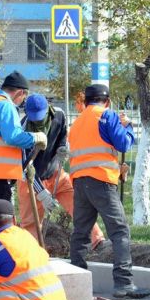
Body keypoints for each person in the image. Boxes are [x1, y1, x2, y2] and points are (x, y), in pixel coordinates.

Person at [68, 84, 150, 299]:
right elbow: (122, 144)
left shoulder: (76, 123)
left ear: (86, 101)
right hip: (102, 181)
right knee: (119, 231)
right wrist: (128, 127)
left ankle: (78, 284)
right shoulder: (107, 115)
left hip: (79, 182)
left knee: (81, 233)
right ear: (106, 100)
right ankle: (123, 282)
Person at [0, 71, 47, 255]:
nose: (23, 101)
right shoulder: (5, 106)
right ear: (19, 93)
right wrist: (35, 137)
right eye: (24, 97)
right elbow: (12, 137)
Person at [16, 94, 108, 249]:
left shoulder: (58, 115)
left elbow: (63, 134)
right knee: (30, 223)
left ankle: (97, 241)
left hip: (55, 173)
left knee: (79, 205)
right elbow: (24, 167)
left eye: (40, 116)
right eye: (34, 117)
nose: (37, 120)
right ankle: (33, 255)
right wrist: (41, 193)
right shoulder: (23, 129)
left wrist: (62, 148)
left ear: (47, 109)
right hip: (30, 182)